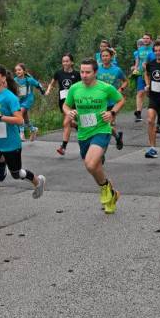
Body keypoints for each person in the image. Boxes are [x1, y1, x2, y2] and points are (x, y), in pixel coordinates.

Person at [0, 65, 46, 226]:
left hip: (11, 144)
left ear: (3, 79)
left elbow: (19, 120)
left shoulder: (10, 97)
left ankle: (37, 181)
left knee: (17, 173)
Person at [63, 58, 124, 213]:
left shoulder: (105, 88)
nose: (84, 75)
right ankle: (110, 191)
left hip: (101, 130)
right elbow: (66, 105)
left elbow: (120, 100)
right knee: (94, 167)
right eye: (82, 71)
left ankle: (104, 189)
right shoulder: (75, 88)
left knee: (91, 164)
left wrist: (112, 113)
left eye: (88, 72)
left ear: (95, 72)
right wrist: (69, 112)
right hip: (83, 132)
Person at [46, 53, 82, 156]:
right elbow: (52, 83)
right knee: (70, 123)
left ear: (72, 62)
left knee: (66, 122)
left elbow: (81, 87)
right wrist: (48, 90)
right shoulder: (58, 73)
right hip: (63, 102)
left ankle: (63, 147)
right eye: (63, 61)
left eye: (67, 61)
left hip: (74, 102)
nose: (65, 63)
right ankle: (79, 128)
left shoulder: (77, 74)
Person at [97, 48, 128, 149]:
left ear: (111, 57)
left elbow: (125, 81)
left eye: (107, 56)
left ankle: (101, 151)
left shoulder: (117, 70)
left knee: (107, 126)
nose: (105, 58)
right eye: (103, 56)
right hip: (99, 101)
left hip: (112, 102)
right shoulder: (97, 69)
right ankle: (118, 137)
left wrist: (120, 89)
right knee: (104, 126)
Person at [13, 63, 45, 141]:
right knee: (25, 118)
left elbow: (38, 85)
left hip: (28, 99)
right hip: (19, 100)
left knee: (19, 113)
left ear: (24, 71)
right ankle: (33, 129)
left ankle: (21, 134)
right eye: (16, 70)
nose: (18, 72)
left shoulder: (29, 79)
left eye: (19, 70)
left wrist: (43, 92)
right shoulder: (15, 80)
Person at [132, 34, 154, 123]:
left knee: (151, 93)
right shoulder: (139, 49)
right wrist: (135, 69)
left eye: (147, 38)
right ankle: (138, 112)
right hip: (141, 74)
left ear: (151, 40)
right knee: (140, 92)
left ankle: (154, 111)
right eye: (144, 38)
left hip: (151, 74)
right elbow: (137, 62)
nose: (145, 40)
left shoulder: (153, 49)